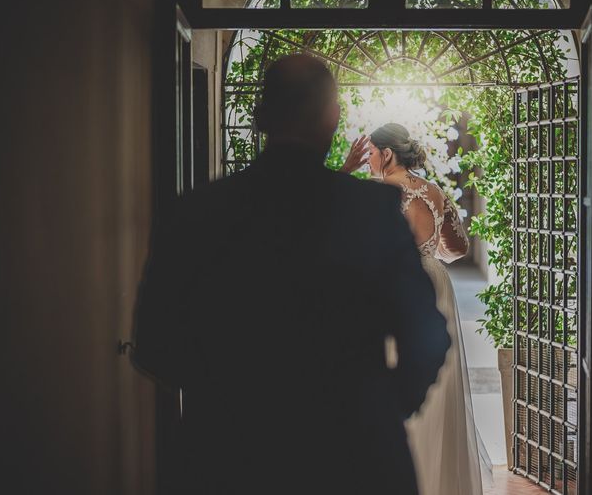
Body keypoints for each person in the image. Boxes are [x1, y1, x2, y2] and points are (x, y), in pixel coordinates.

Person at [131, 54, 451, 494]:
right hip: (355, 459)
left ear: (260, 117)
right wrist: (380, 407)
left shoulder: (196, 211)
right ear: (333, 119)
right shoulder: (370, 212)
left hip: (228, 460)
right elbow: (427, 336)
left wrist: (225, 398)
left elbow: (152, 342)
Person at [342, 123, 490, 495]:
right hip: (436, 283)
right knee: (438, 383)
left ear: (386, 154)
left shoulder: (376, 193)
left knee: (391, 369)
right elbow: (456, 249)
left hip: (394, 286)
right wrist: (428, 248)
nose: (367, 162)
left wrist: (344, 173)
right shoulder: (435, 192)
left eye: (371, 154)